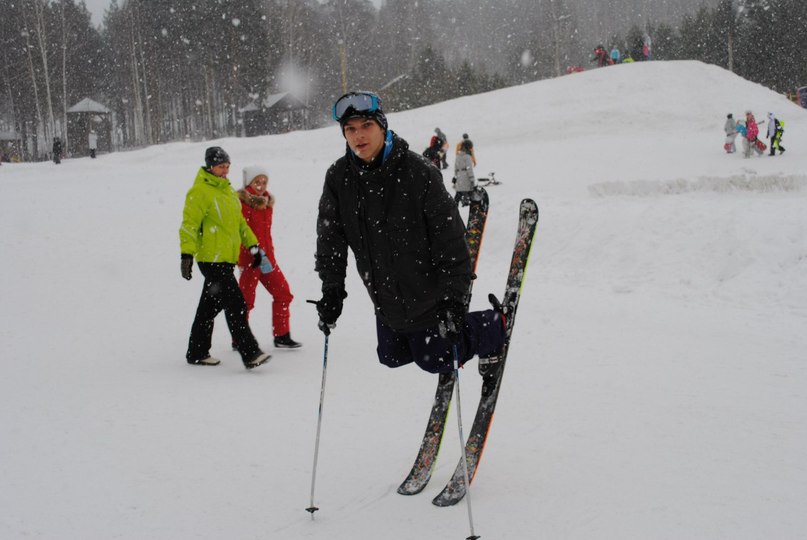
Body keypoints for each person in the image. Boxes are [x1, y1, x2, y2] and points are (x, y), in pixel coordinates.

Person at [314, 91, 505, 376]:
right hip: (386, 297)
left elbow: (450, 240)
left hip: (429, 295)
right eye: (350, 129)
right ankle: (431, 343)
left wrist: (454, 299)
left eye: (366, 126)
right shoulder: (339, 177)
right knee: (391, 354)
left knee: (434, 357)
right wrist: (332, 290)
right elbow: (331, 239)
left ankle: (492, 327)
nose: (358, 136)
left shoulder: (419, 173)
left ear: (382, 126)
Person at [179, 146, 271, 369]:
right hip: (211, 260)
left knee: (209, 307)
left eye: (227, 166)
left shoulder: (228, 192)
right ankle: (250, 353)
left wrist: (253, 246)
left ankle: (197, 351)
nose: (225, 171)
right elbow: (189, 225)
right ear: (210, 167)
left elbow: (240, 224)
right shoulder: (199, 192)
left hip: (226, 259)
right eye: (221, 167)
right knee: (236, 303)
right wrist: (186, 254)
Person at [237, 165, 301, 349]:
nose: (261, 185)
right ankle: (239, 338)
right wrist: (251, 251)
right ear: (249, 182)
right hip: (250, 259)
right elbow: (241, 231)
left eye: (264, 182)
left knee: (283, 293)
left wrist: (267, 254)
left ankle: (281, 335)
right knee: (246, 301)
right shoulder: (242, 203)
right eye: (257, 182)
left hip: (267, 259)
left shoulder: (266, 202)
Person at [453, 136, 477, 206]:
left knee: (458, 194)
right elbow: (469, 169)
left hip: (459, 177)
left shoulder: (458, 156)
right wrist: (472, 179)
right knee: (469, 193)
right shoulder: (467, 157)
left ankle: (454, 207)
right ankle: (471, 206)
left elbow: (455, 168)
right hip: (466, 177)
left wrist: (456, 177)